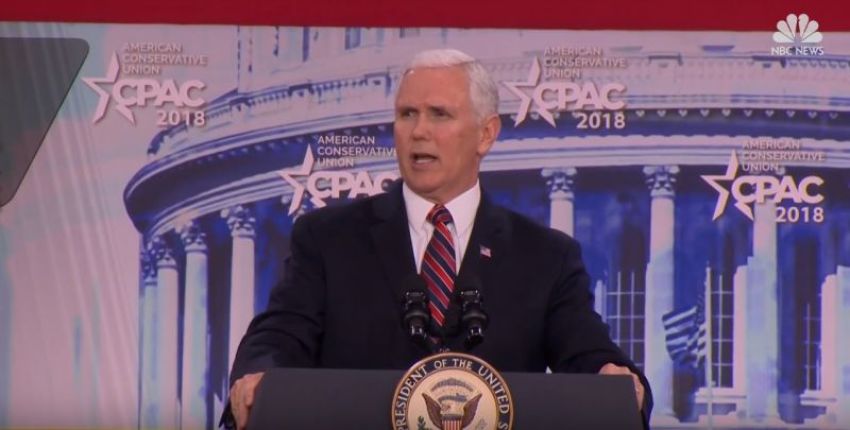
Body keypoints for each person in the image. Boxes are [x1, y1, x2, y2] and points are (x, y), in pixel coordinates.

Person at [224, 48, 652, 429]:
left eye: (439, 114)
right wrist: (261, 374)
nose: (418, 131)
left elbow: (585, 351)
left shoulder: (545, 256)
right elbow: (280, 334)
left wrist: (613, 379)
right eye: (407, 114)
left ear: (486, 133)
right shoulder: (327, 238)